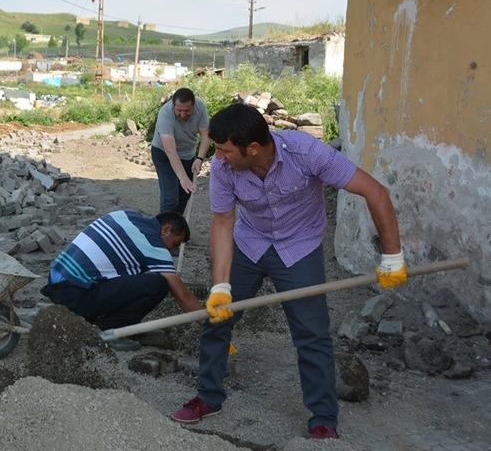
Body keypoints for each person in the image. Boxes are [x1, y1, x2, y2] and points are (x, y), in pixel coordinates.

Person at [170, 103, 407, 439]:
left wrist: (392, 256)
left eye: (224, 150)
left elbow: (375, 192)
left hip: (299, 247)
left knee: (312, 335)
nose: (218, 158)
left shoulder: (306, 152)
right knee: (217, 319)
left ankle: (323, 418)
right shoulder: (224, 169)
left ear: (252, 149)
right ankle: (208, 396)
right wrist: (221, 285)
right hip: (249, 244)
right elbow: (223, 222)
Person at [40, 210, 201, 351]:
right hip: (74, 296)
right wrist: (209, 323)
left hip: (57, 284)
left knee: (140, 273)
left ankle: (96, 320)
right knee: (158, 285)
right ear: (166, 230)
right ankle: (107, 330)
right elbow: (183, 296)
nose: (172, 250)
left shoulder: (125, 215)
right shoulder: (154, 245)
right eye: (175, 244)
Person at [150, 87, 211, 214]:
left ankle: (176, 226)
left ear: (193, 105)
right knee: (170, 197)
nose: (183, 114)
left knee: (185, 193)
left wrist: (199, 158)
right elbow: (170, 150)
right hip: (163, 154)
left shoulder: (200, 107)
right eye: (179, 110)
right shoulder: (165, 113)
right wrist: (183, 178)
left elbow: (206, 135)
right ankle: (165, 230)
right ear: (173, 105)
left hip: (187, 154)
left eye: (187, 111)